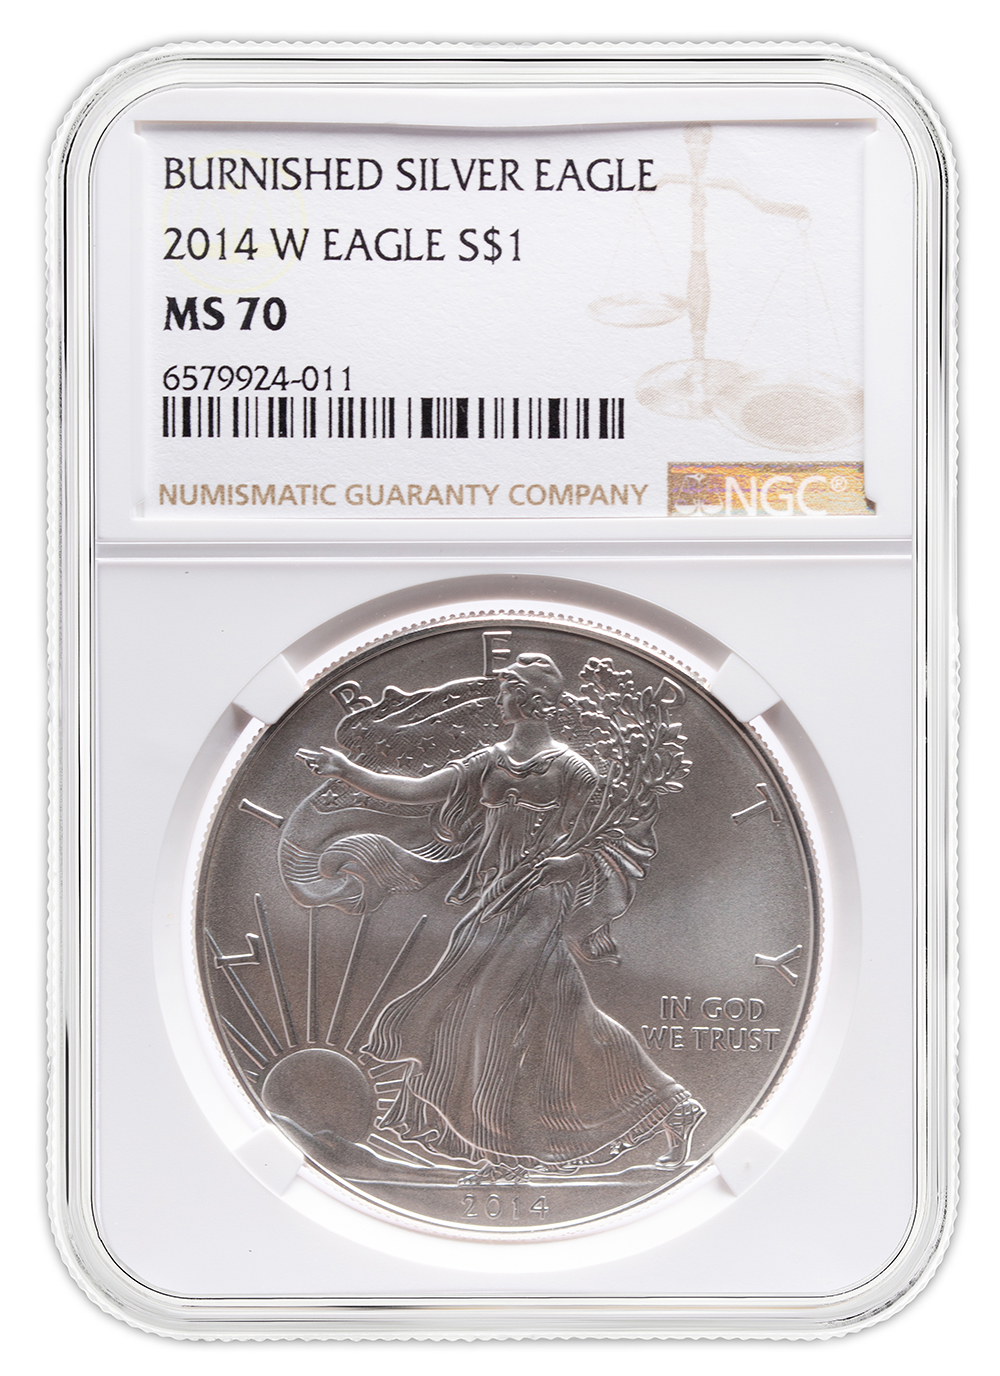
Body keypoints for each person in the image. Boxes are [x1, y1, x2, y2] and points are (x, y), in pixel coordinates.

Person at [296, 652, 704, 1182]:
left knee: (489, 1011)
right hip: (493, 896)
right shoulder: (488, 761)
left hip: (537, 900)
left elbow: (615, 838)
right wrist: (347, 771)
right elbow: (419, 790)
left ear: (532, 700)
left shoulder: (572, 769)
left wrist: (569, 864)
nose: (500, 698)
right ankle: (670, 1107)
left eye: (509, 689)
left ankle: (504, 1153)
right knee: (562, 1016)